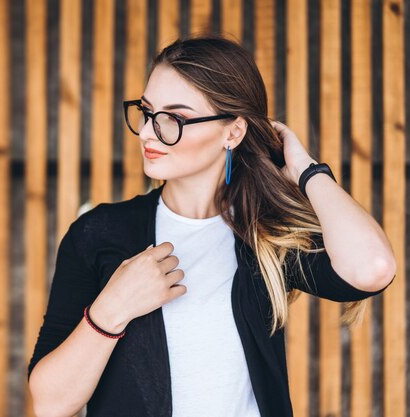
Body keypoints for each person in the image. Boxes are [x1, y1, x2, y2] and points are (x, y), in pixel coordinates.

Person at [26, 34, 396, 417]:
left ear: (232, 132)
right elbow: (51, 403)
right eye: (148, 111)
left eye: (176, 118)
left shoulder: (267, 236)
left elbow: (373, 268)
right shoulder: (100, 232)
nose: (151, 132)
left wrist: (306, 170)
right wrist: (112, 309)